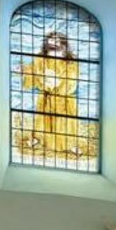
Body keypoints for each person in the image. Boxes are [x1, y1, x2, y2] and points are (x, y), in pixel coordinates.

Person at [15, 31, 93, 163]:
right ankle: (38, 138)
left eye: (57, 42)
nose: (53, 44)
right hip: (46, 97)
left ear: (63, 45)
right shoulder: (40, 59)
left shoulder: (71, 62)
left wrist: (57, 81)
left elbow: (71, 81)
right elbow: (33, 71)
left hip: (64, 99)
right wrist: (24, 70)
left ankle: (71, 145)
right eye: (51, 41)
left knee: (66, 123)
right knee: (42, 121)